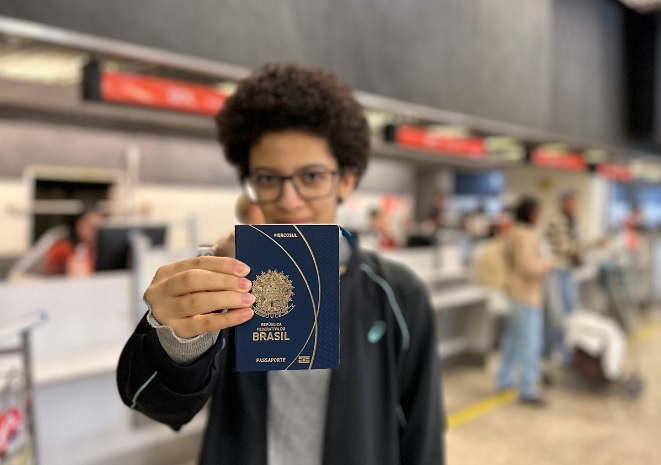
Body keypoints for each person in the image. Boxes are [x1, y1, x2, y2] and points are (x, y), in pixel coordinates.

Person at [116, 63, 444, 465]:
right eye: (268, 178)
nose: (289, 200)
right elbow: (157, 404)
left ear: (346, 180)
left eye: (312, 176)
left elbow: (422, 433)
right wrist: (177, 336)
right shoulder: (229, 282)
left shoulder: (398, 295)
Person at [496, 196, 551, 405]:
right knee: (529, 343)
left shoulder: (515, 233)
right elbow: (527, 266)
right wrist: (545, 266)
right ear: (531, 213)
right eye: (538, 212)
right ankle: (528, 388)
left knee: (512, 341)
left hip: (517, 294)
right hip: (527, 296)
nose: (540, 216)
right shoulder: (525, 235)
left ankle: (503, 380)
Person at [544, 190, 582, 365]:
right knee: (556, 315)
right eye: (572, 202)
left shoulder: (571, 221)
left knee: (570, 313)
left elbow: (574, 246)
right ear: (564, 203)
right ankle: (548, 354)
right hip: (556, 272)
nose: (575, 206)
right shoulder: (557, 221)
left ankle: (566, 355)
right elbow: (566, 248)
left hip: (567, 271)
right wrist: (591, 244)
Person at [43, 208, 104, 276]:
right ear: (78, 224)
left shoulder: (99, 252)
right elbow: (50, 274)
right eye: (91, 227)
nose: (95, 232)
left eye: (99, 228)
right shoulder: (63, 248)